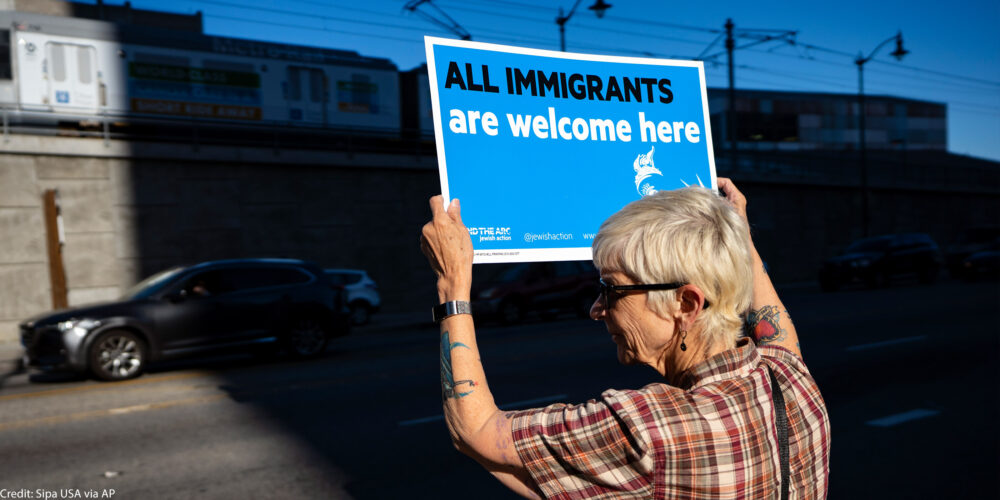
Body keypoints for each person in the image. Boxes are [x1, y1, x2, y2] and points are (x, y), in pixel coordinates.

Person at [419, 178, 830, 499]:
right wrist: (738, 236)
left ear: (686, 304)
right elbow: (775, 324)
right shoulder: (788, 374)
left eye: (612, 289)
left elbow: (476, 432)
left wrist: (452, 285)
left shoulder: (650, 427)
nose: (597, 309)